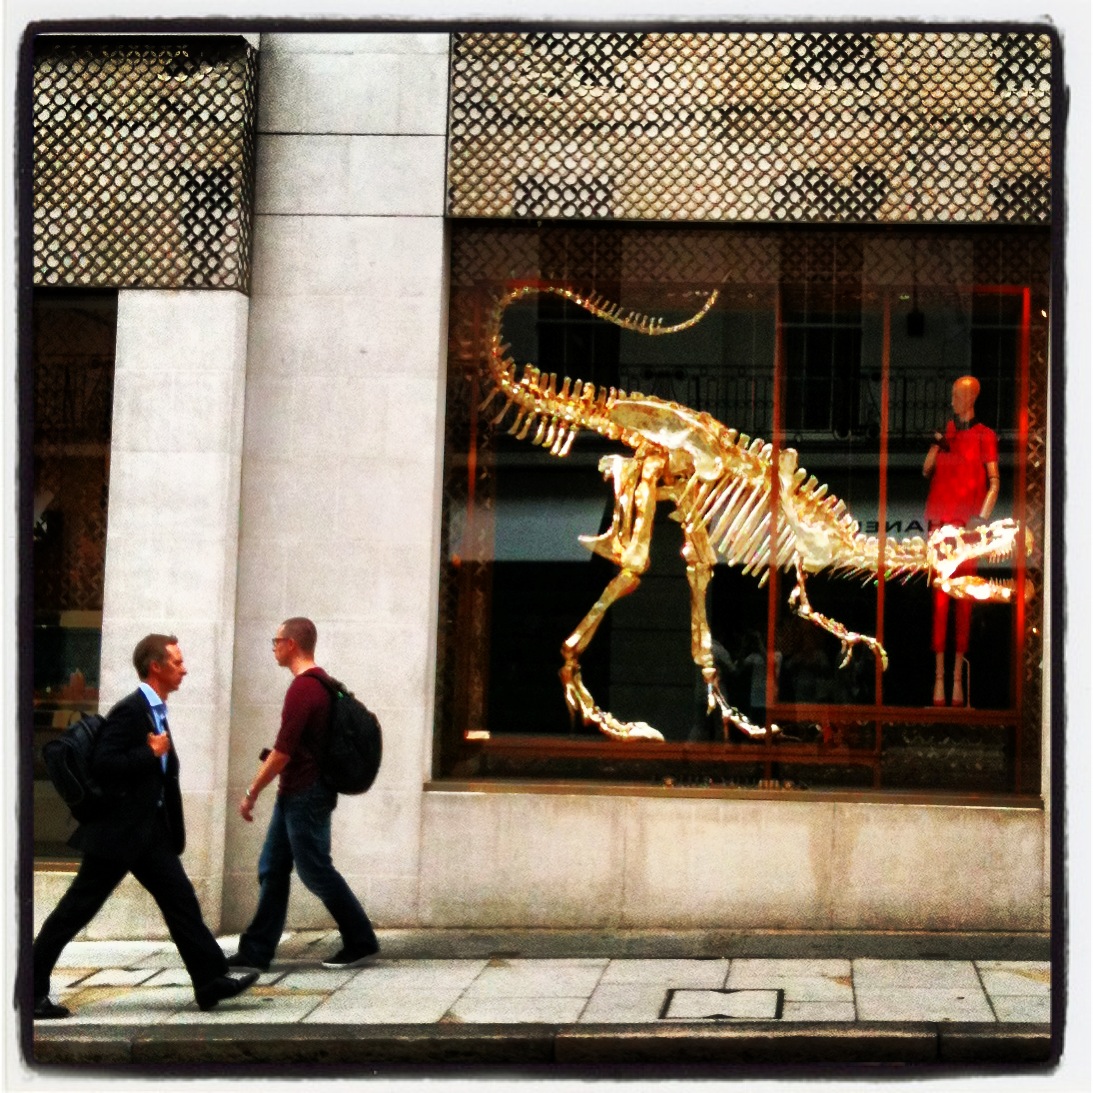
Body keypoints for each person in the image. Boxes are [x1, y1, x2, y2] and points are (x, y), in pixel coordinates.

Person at [32, 635, 259, 1019]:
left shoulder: (156, 710)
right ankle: (30, 990)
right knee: (75, 911)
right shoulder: (131, 711)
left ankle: (210, 981)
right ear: (156, 666)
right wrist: (148, 753)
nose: (184, 669)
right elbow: (105, 764)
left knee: (181, 901)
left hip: (148, 833)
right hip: (117, 835)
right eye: (177, 662)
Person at [228, 617, 379, 971]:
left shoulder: (304, 689)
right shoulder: (322, 685)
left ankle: (360, 940)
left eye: (276, 640)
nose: (273, 646)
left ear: (292, 644)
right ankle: (256, 951)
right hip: (298, 792)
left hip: (305, 795)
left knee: (314, 870)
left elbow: (283, 752)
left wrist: (251, 792)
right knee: (273, 866)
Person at [923, 375, 1000, 706]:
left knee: (964, 601)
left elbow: (994, 482)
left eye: (956, 395)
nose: (952, 400)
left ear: (970, 398)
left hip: (968, 529)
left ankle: (956, 679)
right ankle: (939, 679)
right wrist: (938, 444)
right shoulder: (947, 435)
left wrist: (981, 521)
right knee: (940, 602)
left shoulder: (985, 436)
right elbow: (926, 470)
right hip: (940, 527)